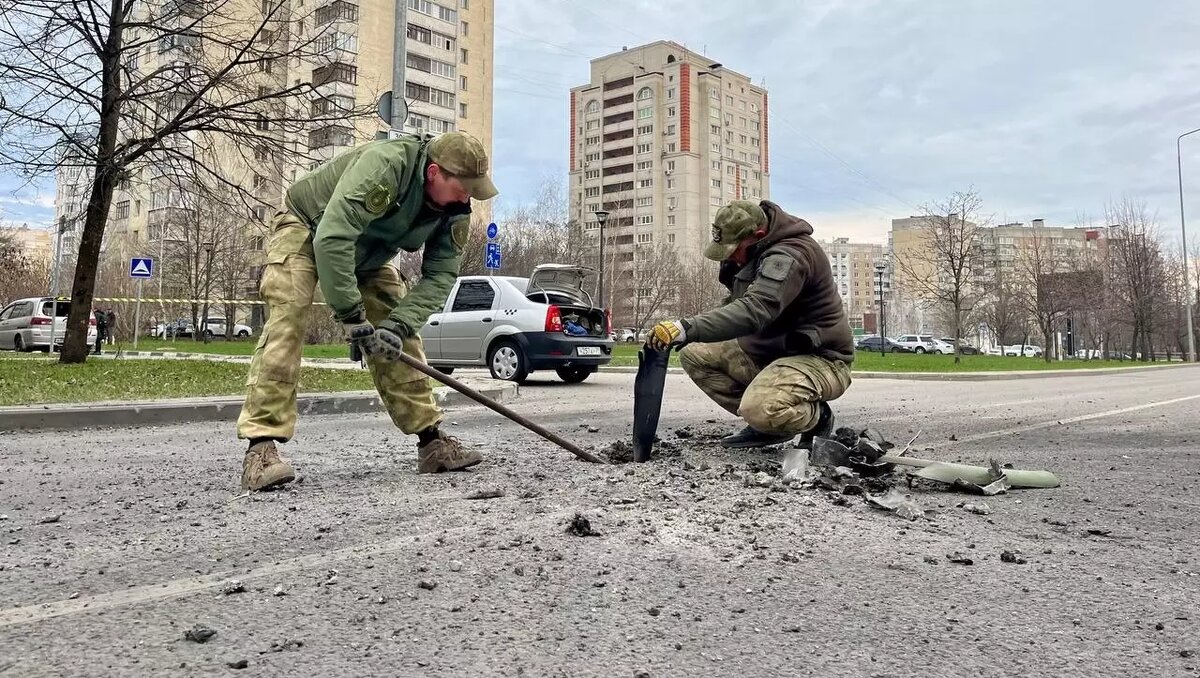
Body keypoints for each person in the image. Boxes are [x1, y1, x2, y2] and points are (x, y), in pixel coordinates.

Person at [236, 131, 498, 491]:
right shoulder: (387, 165)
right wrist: (352, 316)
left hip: (368, 251)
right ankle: (260, 449)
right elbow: (333, 237)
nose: (467, 195)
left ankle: (432, 443)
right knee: (289, 315)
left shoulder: (455, 210)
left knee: (401, 333)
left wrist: (398, 325)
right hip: (308, 227)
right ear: (434, 172)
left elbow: (440, 276)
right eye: (463, 186)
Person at [647, 200, 854, 448]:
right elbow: (734, 305)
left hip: (820, 360)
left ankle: (815, 417)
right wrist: (689, 332)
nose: (731, 256)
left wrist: (686, 327)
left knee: (761, 408)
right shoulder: (751, 254)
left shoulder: (789, 255)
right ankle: (769, 426)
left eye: (734, 248)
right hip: (772, 354)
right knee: (696, 355)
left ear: (757, 235)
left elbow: (756, 309)